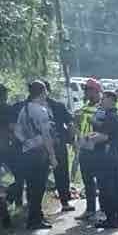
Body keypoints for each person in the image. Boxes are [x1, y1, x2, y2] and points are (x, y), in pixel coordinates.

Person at [13, 81, 58, 230]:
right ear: (43, 92)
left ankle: (36, 217)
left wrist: (27, 142)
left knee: (32, 188)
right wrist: (52, 156)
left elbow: (17, 131)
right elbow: (47, 136)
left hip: (26, 152)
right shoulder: (41, 110)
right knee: (38, 188)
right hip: (39, 153)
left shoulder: (24, 109)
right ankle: (35, 220)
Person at [89, 91, 118, 228]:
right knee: (117, 188)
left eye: (103, 99)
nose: (101, 101)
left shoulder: (110, 118)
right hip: (115, 154)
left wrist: (90, 137)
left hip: (106, 156)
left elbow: (103, 137)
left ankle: (111, 219)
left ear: (111, 100)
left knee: (107, 189)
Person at [43, 81, 76, 212]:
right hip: (58, 144)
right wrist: (72, 140)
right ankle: (65, 202)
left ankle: (34, 206)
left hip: (39, 146)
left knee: (38, 175)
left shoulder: (28, 106)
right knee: (61, 173)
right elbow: (70, 124)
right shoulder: (58, 105)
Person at [74, 78, 102, 221]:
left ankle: (104, 209)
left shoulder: (102, 108)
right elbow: (79, 127)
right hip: (85, 148)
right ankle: (90, 209)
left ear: (96, 91)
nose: (86, 92)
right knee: (88, 180)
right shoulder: (84, 108)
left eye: (88, 90)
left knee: (102, 180)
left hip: (98, 148)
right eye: (85, 89)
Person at [0, 84, 14, 227]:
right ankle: (5, 209)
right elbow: (12, 128)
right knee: (8, 180)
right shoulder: (7, 109)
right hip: (5, 150)